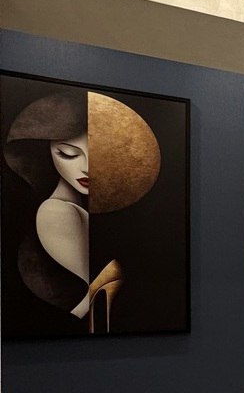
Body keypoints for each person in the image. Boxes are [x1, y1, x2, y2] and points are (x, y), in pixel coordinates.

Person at [4, 88, 158, 332]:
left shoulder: (78, 210)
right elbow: (87, 306)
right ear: (46, 152)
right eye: (69, 154)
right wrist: (109, 279)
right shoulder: (57, 212)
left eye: (96, 155)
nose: (86, 167)